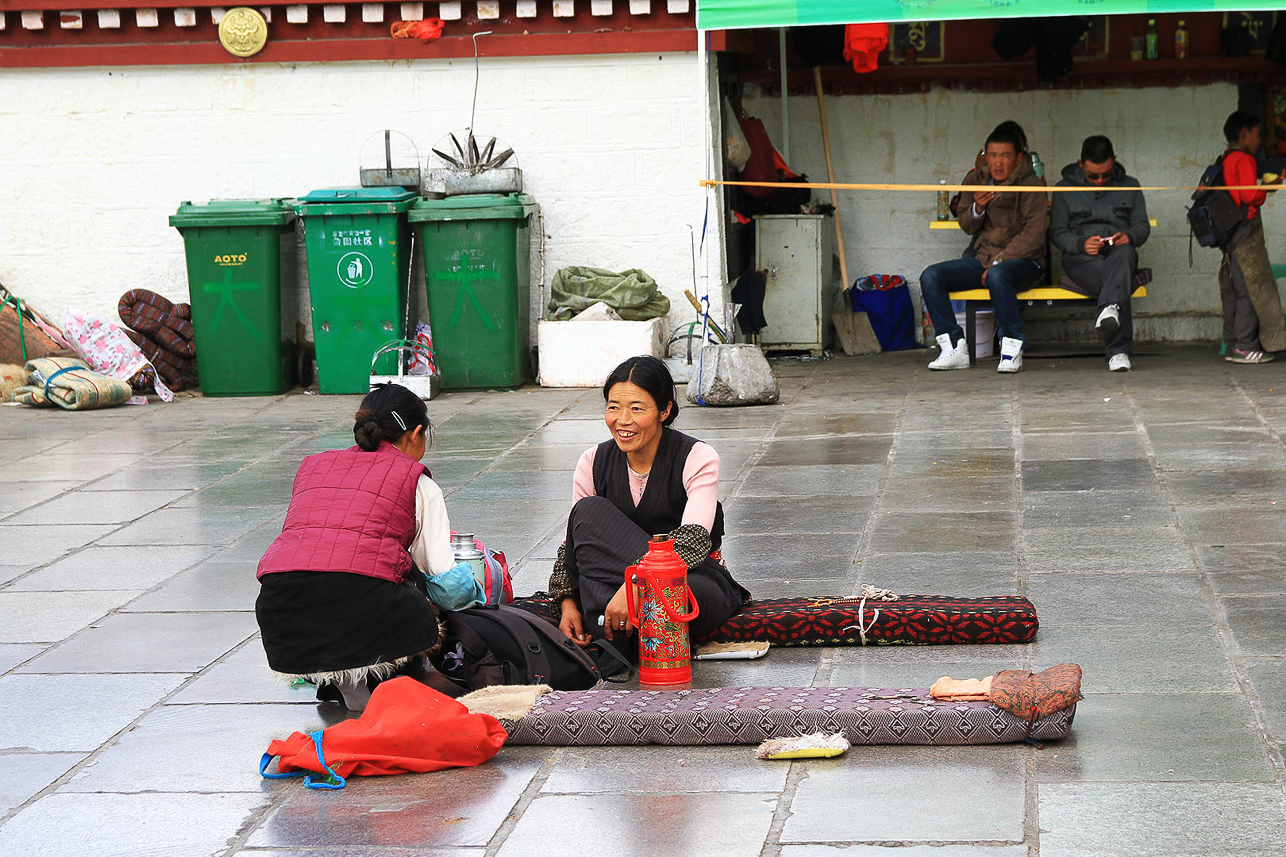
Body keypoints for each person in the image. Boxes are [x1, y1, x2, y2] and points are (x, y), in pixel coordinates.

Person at [255, 383, 480, 711]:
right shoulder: (419, 482)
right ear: (416, 434)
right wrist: (481, 589)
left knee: (345, 579)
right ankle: (376, 683)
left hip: (280, 614)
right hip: (360, 611)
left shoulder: (314, 466)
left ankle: (348, 683)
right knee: (416, 598)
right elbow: (447, 587)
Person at [549, 355, 748, 658]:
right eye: (613, 407)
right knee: (587, 513)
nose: (623, 420)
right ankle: (628, 622)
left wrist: (634, 587)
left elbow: (692, 542)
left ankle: (614, 624)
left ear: (665, 410)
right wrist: (566, 604)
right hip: (618, 584)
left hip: (688, 579)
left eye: (637, 409)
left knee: (689, 595)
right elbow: (573, 547)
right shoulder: (592, 462)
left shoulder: (698, 458)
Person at [922, 125, 1049, 373]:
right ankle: (953, 346)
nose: (998, 163)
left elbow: (1033, 235)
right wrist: (976, 209)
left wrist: (1000, 261)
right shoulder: (975, 180)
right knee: (931, 276)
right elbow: (966, 225)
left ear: (1018, 158)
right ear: (984, 156)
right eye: (993, 155)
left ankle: (1012, 347)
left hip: (1026, 262)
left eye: (1005, 156)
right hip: (983, 259)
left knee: (997, 275)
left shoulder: (1031, 184)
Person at [1049, 135, 1150, 372]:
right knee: (1118, 283)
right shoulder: (1064, 189)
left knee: (1124, 255)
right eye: (1093, 176)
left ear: (1114, 161)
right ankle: (1118, 350)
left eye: (1106, 174)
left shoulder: (1130, 185)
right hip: (1082, 259)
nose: (1100, 180)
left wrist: (1130, 237)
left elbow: (1142, 226)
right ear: (1080, 163)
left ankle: (1110, 310)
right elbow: (1057, 233)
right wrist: (1081, 244)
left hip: (1119, 254)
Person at [1217, 111, 1285, 364]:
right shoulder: (1244, 160)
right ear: (1244, 134)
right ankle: (1246, 345)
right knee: (1250, 290)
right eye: (1257, 135)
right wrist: (1266, 188)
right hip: (1245, 233)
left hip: (1229, 232)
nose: (1259, 141)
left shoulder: (1225, 158)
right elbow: (1248, 196)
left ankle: (1232, 344)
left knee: (1234, 289)